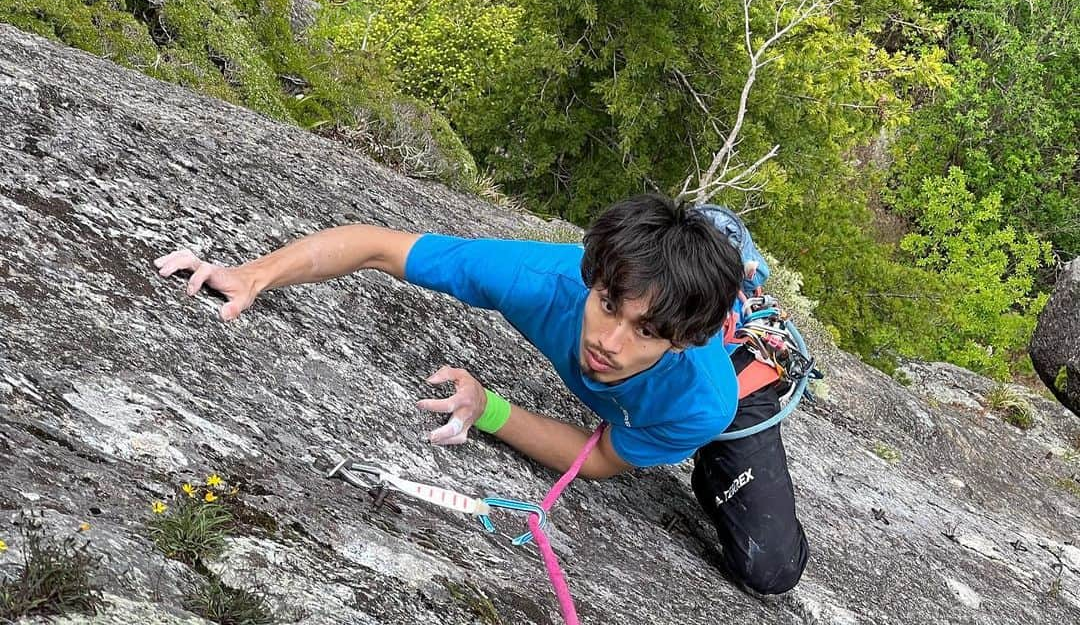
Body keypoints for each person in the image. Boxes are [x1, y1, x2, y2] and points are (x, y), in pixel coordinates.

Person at [155, 193, 807, 593]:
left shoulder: (703, 395)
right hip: (659, 374)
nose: (609, 338)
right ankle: (714, 238)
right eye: (608, 303)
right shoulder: (538, 280)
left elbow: (604, 456)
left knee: (769, 569)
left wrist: (496, 411)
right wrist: (253, 274)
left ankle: (738, 284)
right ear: (596, 277)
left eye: (646, 330)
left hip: (734, 388)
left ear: (683, 339)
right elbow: (380, 246)